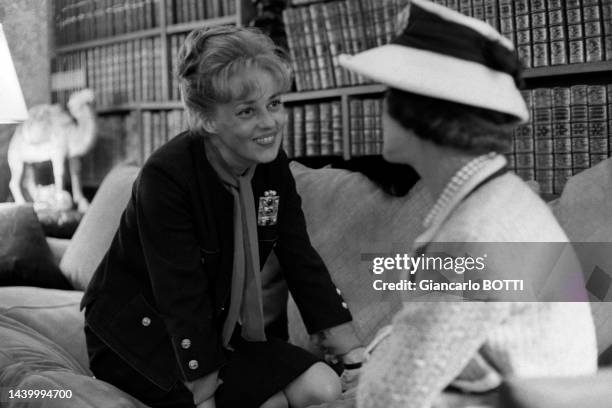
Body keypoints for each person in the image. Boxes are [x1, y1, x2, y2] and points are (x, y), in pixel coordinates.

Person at [81, 26, 364, 408]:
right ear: (207, 118)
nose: (270, 122)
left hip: (219, 331)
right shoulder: (165, 177)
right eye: (248, 110)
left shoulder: (271, 166)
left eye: (275, 103)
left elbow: (301, 258)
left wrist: (352, 355)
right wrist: (204, 395)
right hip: (139, 335)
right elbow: (180, 295)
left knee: (324, 387)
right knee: (273, 401)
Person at [337, 1, 598, 407]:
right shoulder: (504, 196)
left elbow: (391, 397)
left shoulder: (468, 237)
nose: (381, 108)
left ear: (424, 112)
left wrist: (368, 373)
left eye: (390, 94)